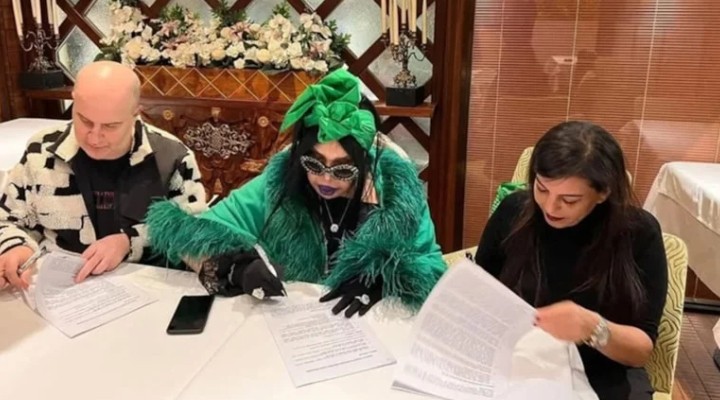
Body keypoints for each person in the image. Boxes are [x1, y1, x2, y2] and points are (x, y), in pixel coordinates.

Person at [146, 69, 446, 317]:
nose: (326, 178)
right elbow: (191, 237)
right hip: (289, 327)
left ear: (365, 162)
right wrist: (236, 267)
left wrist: (388, 279)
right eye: (314, 163)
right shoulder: (279, 183)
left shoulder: (397, 194)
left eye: (343, 169)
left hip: (375, 329)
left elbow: (433, 270)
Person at [474, 121, 668, 399]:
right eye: (542, 189)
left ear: (603, 192)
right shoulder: (514, 212)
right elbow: (480, 292)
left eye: (570, 199)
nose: (550, 207)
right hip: (514, 366)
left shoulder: (638, 233)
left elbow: (640, 351)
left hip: (600, 376)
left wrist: (592, 328)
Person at [0, 61, 207, 290]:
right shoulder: (41, 150)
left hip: (147, 288)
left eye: (110, 126)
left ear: (135, 114)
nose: (94, 137)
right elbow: (8, 219)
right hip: (60, 289)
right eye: (85, 121)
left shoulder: (171, 157)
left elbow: (195, 233)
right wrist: (15, 246)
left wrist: (129, 242)